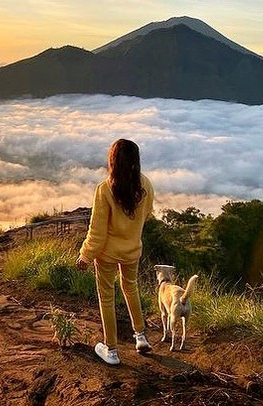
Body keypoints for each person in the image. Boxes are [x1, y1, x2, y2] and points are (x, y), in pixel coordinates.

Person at [76, 138, 154, 365]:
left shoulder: (105, 189)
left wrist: (85, 255)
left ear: (113, 161)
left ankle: (111, 350)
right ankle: (140, 336)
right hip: (132, 250)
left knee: (107, 298)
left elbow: (97, 232)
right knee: (131, 288)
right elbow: (146, 215)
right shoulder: (146, 185)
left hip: (107, 254)